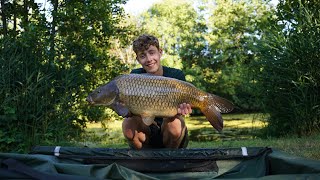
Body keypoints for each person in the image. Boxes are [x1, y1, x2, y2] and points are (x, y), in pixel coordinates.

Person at [122, 34, 192, 149]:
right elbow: (131, 111)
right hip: (146, 130)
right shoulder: (134, 76)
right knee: (128, 124)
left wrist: (183, 109)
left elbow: (182, 109)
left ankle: (171, 161)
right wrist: (126, 108)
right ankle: (145, 161)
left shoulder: (175, 75)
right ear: (138, 59)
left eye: (152, 52)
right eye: (143, 56)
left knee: (175, 124)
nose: (149, 59)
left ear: (160, 52)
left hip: (170, 132)